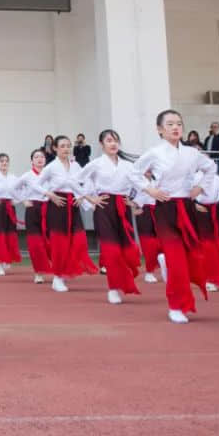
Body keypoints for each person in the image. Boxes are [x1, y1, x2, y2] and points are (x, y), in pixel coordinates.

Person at [130, 110, 216, 325]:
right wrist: (150, 190)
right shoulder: (155, 153)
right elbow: (133, 173)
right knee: (176, 258)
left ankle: (173, 276)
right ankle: (176, 305)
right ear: (160, 129)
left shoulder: (191, 153)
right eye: (170, 124)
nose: (176, 127)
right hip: (166, 208)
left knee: (192, 256)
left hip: (187, 207)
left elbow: (211, 167)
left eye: (179, 123)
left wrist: (200, 187)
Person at [78, 130, 141, 305]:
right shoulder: (96, 164)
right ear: (102, 144)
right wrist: (90, 198)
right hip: (104, 207)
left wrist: (134, 201)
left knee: (128, 251)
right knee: (111, 251)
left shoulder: (128, 166)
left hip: (123, 207)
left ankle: (124, 278)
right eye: (109, 140)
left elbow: (140, 183)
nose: (113, 144)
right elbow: (76, 181)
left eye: (115, 141)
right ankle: (113, 288)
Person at [34, 135, 97, 292]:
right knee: (59, 243)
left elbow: (86, 182)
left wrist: (82, 197)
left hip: (73, 205)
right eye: (62, 146)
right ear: (55, 148)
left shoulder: (76, 166)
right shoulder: (51, 167)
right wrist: (49, 195)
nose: (66, 149)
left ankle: (67, 270)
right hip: (58, 205)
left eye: (68, 146)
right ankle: (58, 277)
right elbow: (35, 184)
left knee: (79, 240)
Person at [12, 149, 53, 284]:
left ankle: (56, 269)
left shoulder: (50, 174)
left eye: (42, 157)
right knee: (35, 244)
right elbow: (13, 189)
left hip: (49, 209)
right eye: (36, 157)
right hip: (32, 209)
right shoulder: (27, 176)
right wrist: (23, 200)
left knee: (52, 241)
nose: (40, 159)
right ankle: (38, 273)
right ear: (32, 161)